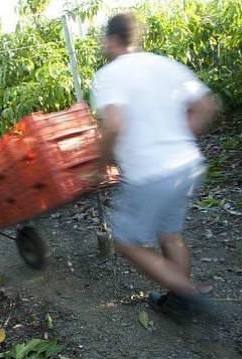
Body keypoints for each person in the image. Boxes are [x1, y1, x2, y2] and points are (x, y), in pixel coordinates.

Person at [90, 13, 219, 320]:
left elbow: (114, 125)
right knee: (169, 233)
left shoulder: (111, 75)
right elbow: (207, 106)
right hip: (187, 165)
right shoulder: (163, 65)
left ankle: (186, 291)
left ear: (112, 40)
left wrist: (100, 164)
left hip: (151, 173)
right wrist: (176, 139)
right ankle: (177, 302)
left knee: (125, 241)